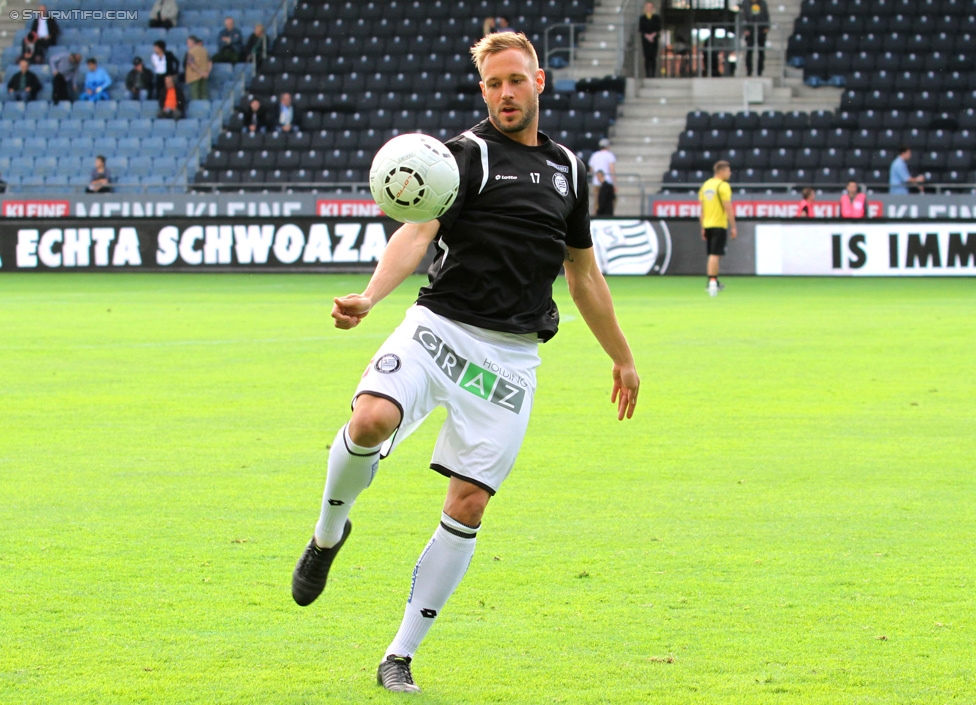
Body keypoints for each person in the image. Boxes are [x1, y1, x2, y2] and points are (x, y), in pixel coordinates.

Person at [290, 31, 640, 695]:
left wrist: (621, 357)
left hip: (509, 361)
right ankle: (329, 531)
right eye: (492, 84)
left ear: (540, 81)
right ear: (483, 91)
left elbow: (584, 274)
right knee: (369, 419)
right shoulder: (465, 154)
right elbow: (416, 230)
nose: (504, 94)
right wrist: (369, 295)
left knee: (469, 503)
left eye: (514, 80)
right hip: (437, 330)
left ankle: (399, 654)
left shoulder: (568, 168)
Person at [699, 160, 736, 297]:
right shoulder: (723, 186)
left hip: (708, 224)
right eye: (728, 171)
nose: (730, 173)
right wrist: (733, 226)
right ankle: (712, 281)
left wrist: (702, 227)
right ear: (721, 171)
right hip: (719, 224)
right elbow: (728, 207)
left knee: (713, 254)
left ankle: (714, 280)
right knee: (715, 254)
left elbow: (702, 209)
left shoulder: (706, 185)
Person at [587, 138, 616, 215]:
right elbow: (612, 169)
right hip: (607, 182)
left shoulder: (594, 155)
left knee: (597, 202)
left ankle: (596, 216)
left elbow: (591, 169)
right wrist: (614, 183)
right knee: (609, 202)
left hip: (597, 182)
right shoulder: (610, 155)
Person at [742, 0, 770, 77]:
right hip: (750, 30)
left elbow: (766, 14)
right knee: (749, 51)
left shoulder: (762, 3)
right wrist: (745, 28)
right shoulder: (746, 3)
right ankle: (749, 71)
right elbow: (743, 16)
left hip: (761, 29)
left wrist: (767, 26)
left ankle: (759, 71)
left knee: (761, 52)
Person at [639, 2, 662, 79]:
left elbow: (658, 28)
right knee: (647, 57)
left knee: (653, 57)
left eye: (650, 7)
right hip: (645, 40)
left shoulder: (656, 18)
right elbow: (641, 29)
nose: (649, 8)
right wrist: (647, 36)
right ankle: (647, 74)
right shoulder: (642, 18)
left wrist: (652, 36)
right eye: (647, 7)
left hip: (654, 39)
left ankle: (653, 74)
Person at [184, 36, 211, 101]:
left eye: (188, 42)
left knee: (195, 95)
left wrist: (200, 72)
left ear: (192, 42)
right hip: (204, 75)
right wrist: (207, 72)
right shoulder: (205, 50)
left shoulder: (191, 51)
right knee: (204, 94)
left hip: (194, 76)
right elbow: (210, 63)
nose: (187, 44)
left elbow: (191, 64)